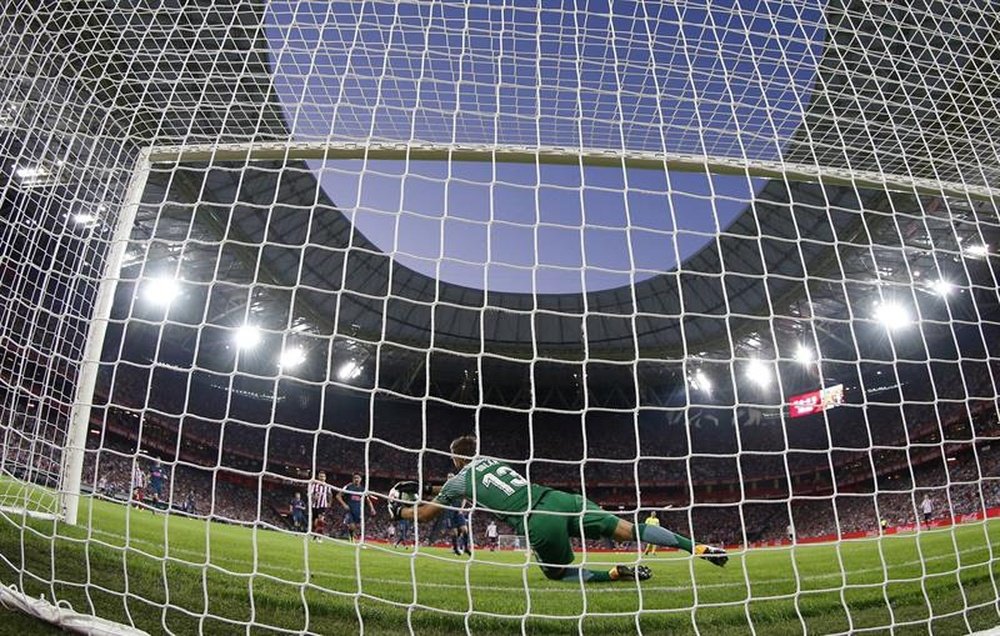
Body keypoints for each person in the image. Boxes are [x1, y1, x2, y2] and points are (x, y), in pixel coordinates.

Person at [391, 435, 727, 583]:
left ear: (455, 458)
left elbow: (425, 514)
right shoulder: (494, 462)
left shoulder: (457, 480)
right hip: (560, 499)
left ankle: (613, 574)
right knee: (630, 530)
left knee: (560, 574)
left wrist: (399, 511)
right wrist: (431, 487)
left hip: (539, 520)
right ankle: (698, 547)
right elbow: (477, 485)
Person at [337, 473, 377, 542]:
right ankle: (352, 537)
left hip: (359, 510)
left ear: (361, 479)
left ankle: (354, 535)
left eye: (358, 478)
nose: (356, 479)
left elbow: (368, 500)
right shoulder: (348, 486)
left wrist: (372, 508)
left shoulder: (363, 489)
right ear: (353, 479)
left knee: (358, 526)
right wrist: (344, 504)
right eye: (355, 478)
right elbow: (338, 496)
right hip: (349, 509)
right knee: (352, 525)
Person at [443, 473, 472, 556]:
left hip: (458, 512)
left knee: (465, 530)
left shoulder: (459, 487)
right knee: (455, 533)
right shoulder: (445, 488)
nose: (450, 479)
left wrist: (461, 508)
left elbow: (465, 498)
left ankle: (466, 548)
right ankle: (455, 549)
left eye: (452, 477)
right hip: (450, 512)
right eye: (449, 477)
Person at [309, 471, 333, 539]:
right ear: (318, 477)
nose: (322, 478)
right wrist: (314, 497)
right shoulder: (314, 485)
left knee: (321, 519)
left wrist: (329, 503)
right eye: (321, 476)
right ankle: (315, 534)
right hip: (314, 505)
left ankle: (320, 536)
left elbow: (330, 495)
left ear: (325, 478)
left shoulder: (327, 486)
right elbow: (310, 494)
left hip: (323, 505)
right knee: (315, 522)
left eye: (323, 476)